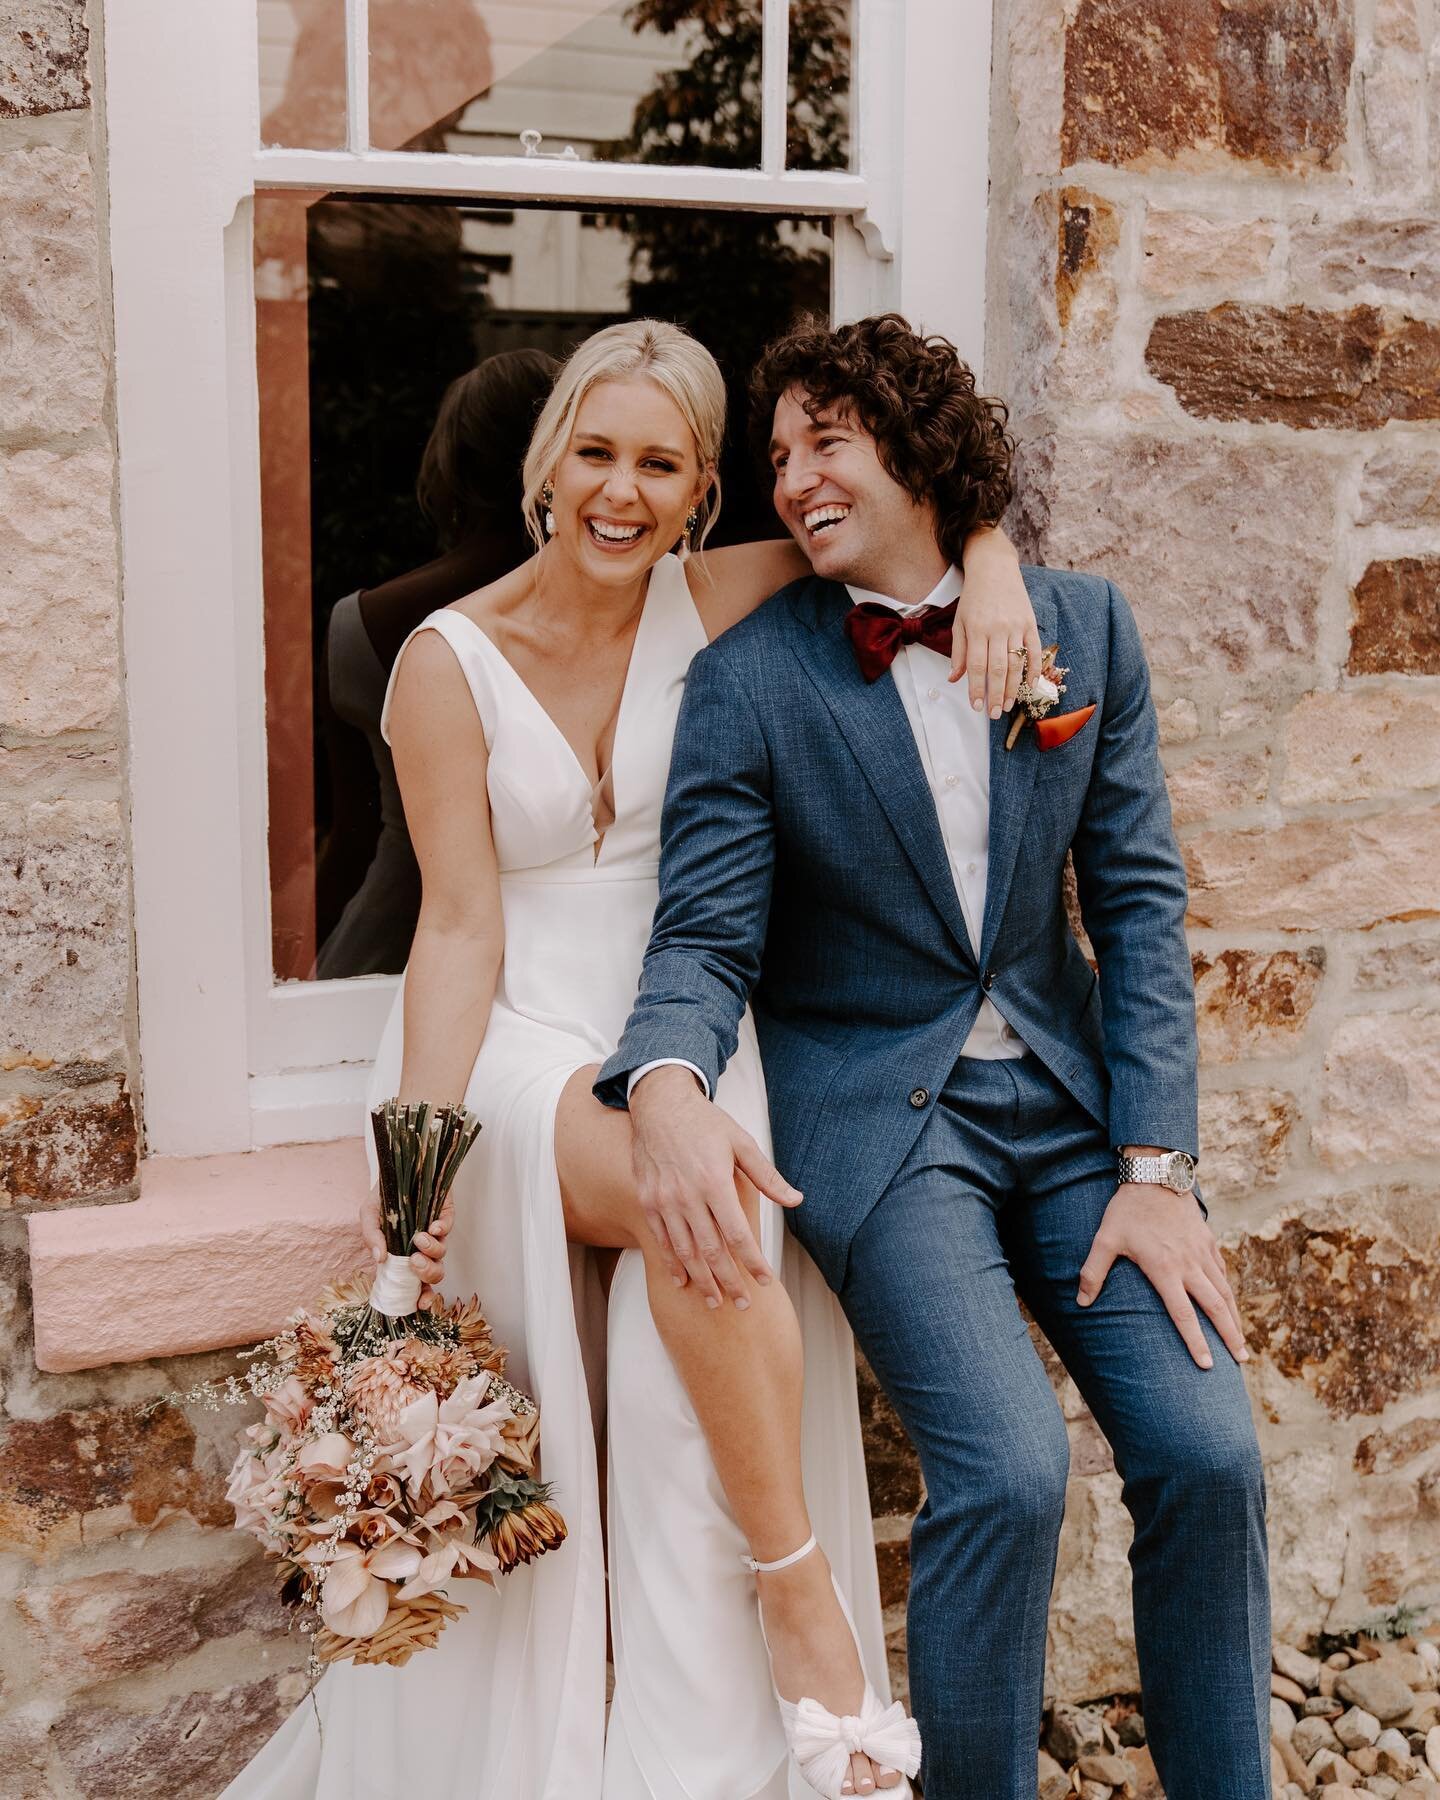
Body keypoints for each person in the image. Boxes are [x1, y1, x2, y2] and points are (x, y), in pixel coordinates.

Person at [224, 317, 1039, 1800]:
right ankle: (806, 1614)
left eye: (659, 463)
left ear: (699, 491)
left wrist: (988, 557)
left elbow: (902, 520)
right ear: (548, 470)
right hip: (517, 1031)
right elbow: (457, 932)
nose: (622, 489)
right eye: (595, 453)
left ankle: (699, 1745)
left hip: (682, 1012)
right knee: (702, 1203)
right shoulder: (443, 664)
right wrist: (418, 1169)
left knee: (707, 1224)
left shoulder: (724, 595)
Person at [593, 314, 1271, 1800]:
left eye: (826, 439)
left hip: (1083, 1116)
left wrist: (1157, 1167)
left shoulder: (1081, 629)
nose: (795, 479)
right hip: (893, 1133)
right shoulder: (752, 681)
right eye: (776, 458)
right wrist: (663, 1083)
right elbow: (703, 938)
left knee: (1211, 1456)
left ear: (917, 448)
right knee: (1011, 1475)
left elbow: (1141, 906)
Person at [316, 349, 559, 978]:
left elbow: (353, 834)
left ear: (454, 463)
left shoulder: (364, 622)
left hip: (389, 936)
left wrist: (292, 962)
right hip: (541, 951)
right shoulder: (625, 601)